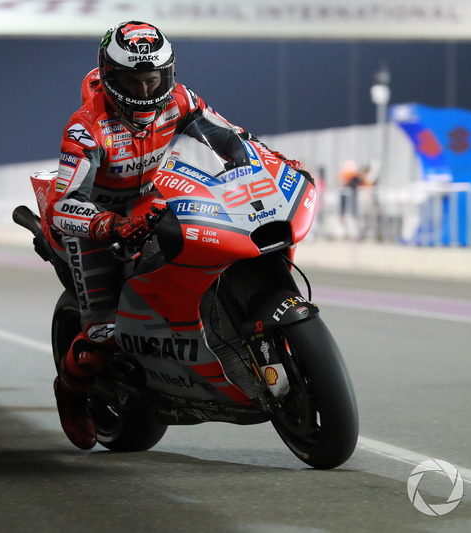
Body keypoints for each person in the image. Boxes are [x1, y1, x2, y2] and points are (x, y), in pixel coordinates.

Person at [44, 21, 300, 450]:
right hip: (95, 222)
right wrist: (106, 224)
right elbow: (61, 205)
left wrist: (266, 163)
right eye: (133, 80)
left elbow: (231, 138)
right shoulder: (85, 128)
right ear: (109, 76)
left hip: (150, 201)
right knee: (105, 330)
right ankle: (70, 392)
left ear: (170, 72)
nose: (146, 89)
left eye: (154, 78)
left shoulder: (181, 100)